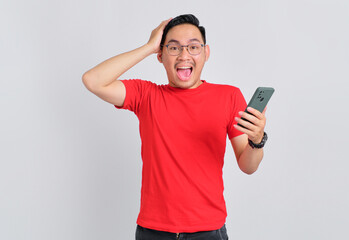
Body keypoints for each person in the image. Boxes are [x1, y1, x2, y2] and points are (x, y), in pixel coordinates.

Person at [82, 14, 268, 240]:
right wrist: (149, 46)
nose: (184, 55)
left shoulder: (229, 96)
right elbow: (93, 80)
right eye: (173, 48)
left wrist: (257, 140)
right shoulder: (146, 95)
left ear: (206, 53)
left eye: (193, 47)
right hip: (153, 231)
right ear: (160, 56)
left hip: (208, 231)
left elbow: (248, 166)